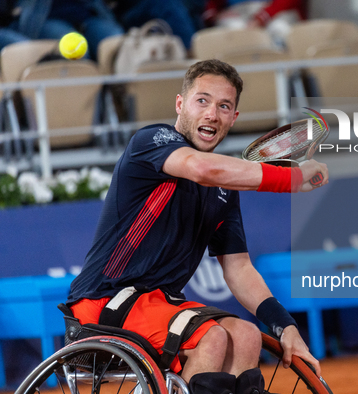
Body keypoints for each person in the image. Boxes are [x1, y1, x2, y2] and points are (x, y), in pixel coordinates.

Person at [66, 59, 327, 394]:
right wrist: (291, 177)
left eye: (223, 106)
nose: (211, 114)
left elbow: (239, 269)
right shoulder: (151, 141)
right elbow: (202, 168)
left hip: (163, 305)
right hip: (103, 302)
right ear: (180, 104)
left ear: (233, 118)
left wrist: (285, 327)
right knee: (212, 337)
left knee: (245, 336)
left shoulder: (224, 189)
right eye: (202, 101)